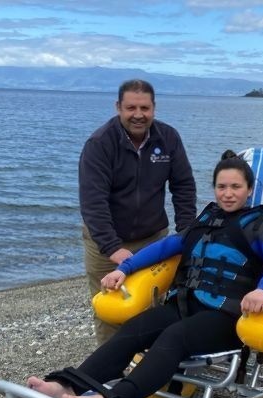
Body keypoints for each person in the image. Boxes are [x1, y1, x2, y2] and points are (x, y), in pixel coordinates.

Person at [29, 150, 263, 398]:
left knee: (174, 337)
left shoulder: (259, 225)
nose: (228, 194)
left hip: (227, 318)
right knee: (134, 329)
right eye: (221, 186)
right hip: (184, 306)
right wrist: (124, 269)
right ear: (214, 188)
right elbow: (166, 246)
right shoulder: (206, 219)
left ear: (249, 190)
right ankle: (65, 385)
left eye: (236, 187)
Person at [79, 79, 197, 346]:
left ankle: (148, 365)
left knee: (154, 304)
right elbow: (92, 202)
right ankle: (109, 374)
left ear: (154, 108)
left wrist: (187, 233)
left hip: (153, 237)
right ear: (118, 107)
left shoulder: (168, 138)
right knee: (110, 307)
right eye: (131, 107)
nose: (138, 115)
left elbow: (184, 186)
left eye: (145, 108)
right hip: (105, 242)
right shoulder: (99, 143)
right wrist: (112, 248)